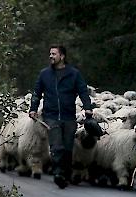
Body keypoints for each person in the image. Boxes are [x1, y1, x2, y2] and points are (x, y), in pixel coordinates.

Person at [29, 44, 93, 189]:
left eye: (54, 54)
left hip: (69, 115)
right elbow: (37, 92)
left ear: (62, 56)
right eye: (50, 54)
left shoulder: (74, 74)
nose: (51, 56)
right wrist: (33, 108)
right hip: (51, 115)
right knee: (56, 145)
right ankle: (58, 174)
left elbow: (83, 91)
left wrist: (88, 107)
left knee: (68, 147)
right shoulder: (44, 74)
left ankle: (65, 173)